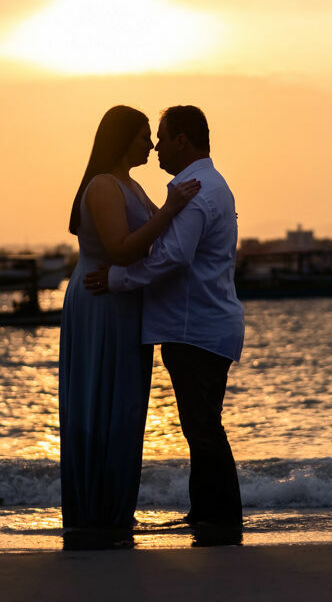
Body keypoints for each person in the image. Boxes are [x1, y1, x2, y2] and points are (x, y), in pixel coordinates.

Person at [84, 105, 245, 546]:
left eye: (162, 136)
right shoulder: (208, 186)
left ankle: (223, 517)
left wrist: (118, 279)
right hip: (205, 325)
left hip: (194, 327)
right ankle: (209, 513)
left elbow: (172, 257)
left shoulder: (196, 191)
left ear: (182, 141)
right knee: (202, 424)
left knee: (202, 426)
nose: (155, 146)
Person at [59, 105, 201, 550]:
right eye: (143, 137)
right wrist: (172, 207)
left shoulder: (132, 186)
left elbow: (161, 240)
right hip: (100, 304)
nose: (151, 145)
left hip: (125, 305)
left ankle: (116, 511)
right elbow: (121, 250)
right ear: (122, 139)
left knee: (124, 407)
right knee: (100, 403)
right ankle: (95, 513)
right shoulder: (103, 186)